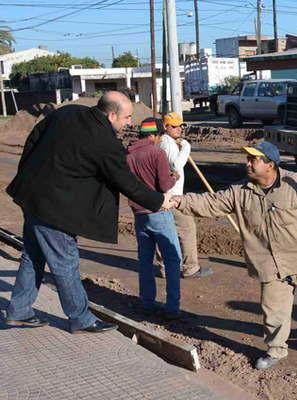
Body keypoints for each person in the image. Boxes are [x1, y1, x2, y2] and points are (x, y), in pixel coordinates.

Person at [170, 142, 297, 370]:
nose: (247, 163)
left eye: (253, 159)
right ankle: (276, 350)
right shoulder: (240, 192)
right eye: (247, 159)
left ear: (270, 164)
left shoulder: (295, 182)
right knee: (273, 310)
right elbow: (210, 202)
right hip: (270, 264)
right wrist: (180, 201)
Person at [4, 91, 173, 333]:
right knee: (66, 262)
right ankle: (81, 319)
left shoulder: (66, 112)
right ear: (112, 114)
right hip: (55, 210)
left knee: (33, 255)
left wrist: (26, 176)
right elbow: (126, 182)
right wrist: (159, 201)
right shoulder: (105, 141)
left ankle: (19, 311)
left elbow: (33, 139)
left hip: (32, 198)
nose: (129, 123)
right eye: (127, 117)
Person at [126, 118, 182, 320]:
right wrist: (175, 176)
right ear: (155, 135)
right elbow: (165, 185)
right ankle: (172, 308)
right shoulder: (156, 152)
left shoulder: (129, 154)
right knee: (173, 259)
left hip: (139, 214)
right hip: (159, 212)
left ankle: (147, 303)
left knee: (145, 261)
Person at [157, 112, 213, 278]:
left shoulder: (166, 141)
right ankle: (190, 268)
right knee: (187, 228)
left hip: (164, 195)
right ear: (165, 127)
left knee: (165, 230)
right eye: (174, 126)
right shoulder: (168, 144)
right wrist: (186, 147)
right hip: (172, 197)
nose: (179, 129)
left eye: (180, 125)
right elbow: (176, 164)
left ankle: (165, 268)